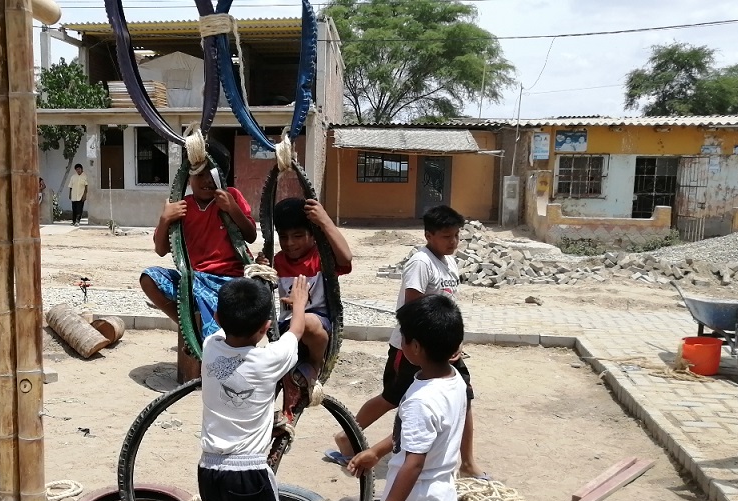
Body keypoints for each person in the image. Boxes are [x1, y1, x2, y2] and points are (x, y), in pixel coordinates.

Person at [328, 205, 487, 481]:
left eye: (456, 236)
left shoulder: (449, 262)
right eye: (446, 236)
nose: (453, 242)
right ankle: (346, 436)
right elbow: (414, 310)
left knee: (464, 398)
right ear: (428, 235)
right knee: (391, 398)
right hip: (415, 349)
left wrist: (454, 340)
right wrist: (421, 349)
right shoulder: (421, 263)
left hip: (445, 348)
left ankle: (468, 463)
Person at [348, 294, 468, 501]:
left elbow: (414, 463)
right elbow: (422, 436)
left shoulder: (421, 401)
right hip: (440, 500)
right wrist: (377, 450)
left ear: (415, 347)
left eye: (403, 338)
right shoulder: (454, 381)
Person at [198, 275, 309, 501]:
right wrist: (299, 304)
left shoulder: (210, 347)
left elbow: (228, 332)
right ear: (266, 328)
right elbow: (296, 331)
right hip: (248, 474)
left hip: (209, 471)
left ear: (219, 318)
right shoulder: (271, 359)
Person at [139, 165, 257, 340]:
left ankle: (205, 337)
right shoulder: (182, 206)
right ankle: (188, 326)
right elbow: (161, 250)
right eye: (200, 175)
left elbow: (251, 235)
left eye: (212, 174)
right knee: (149, 278)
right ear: (189, 179)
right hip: (194, 280)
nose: (207, 180)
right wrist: (165, 219)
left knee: (215, 328)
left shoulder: (230, 196)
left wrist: (232, 208)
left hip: (230, 280)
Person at [258, 196, 352, 385]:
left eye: (298, 236)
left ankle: (316, 364)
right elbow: (260, 289)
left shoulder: (320, 257)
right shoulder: (278, 261)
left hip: (318, 325)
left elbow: (346, 258)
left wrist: (324, 221)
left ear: (312, 234)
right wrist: (260, 268)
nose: (290, 243)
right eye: (283, 237)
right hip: (287, 326)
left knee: (307, 321)